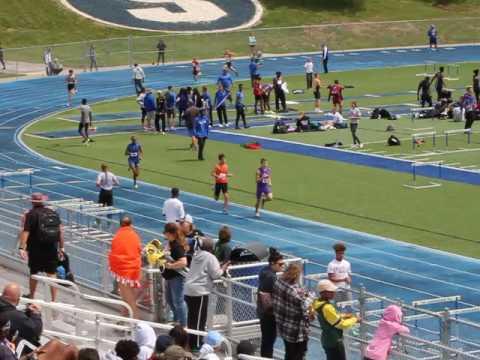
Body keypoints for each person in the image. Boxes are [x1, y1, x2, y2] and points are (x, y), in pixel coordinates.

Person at [184, 237, 229, 351]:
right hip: (200, 292)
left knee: (192, 318)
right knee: (199, 320)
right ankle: (196, 345)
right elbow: (216, 274)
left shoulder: (197, 255)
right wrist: (224, 267)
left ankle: (191, 342)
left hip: (189, 290)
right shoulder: (211, 257)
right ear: (211, 247)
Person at [19, 193, 64, 301]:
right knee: (52, 274)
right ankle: (54, 300)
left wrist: (22, 248)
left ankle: (32, 296)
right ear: (43, 201)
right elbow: (61, 231)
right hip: (51, 248)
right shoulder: (53, 213)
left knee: (34, 273)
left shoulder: (31, 214)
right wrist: (61, 247)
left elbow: (26, 232)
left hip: (35, 248)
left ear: (32, 202)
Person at [272, 263, 312, 360]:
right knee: (299, 354)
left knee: (289, 353)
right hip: (296, 330)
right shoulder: (293, 291)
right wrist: (309, 299)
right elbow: (305, 309)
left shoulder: (278, 282)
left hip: (283, 325)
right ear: (296, 275)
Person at [313, 279, 359, 360]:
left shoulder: (318, 303)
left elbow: (330, 317)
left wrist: (344, 316)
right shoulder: (327, 307)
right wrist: (355, 319)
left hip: (327, 339)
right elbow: (341, 324)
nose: (334, 292)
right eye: (331, 291)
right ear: (324, 292)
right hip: (334, 341)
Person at [108, 216, 142, 318]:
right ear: (131, 224)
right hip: (133, 270)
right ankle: (123, 317)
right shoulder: (135, 236)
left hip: (123, 271)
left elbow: (114, 251)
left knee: (128, 298)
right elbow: (138, 250)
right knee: (126, 297)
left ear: (120, 224)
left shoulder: (117, 236)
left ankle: (136, 321)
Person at [257, 248, 284, 358]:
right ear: (273, 263)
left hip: (263, 311)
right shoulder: (271, 277)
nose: (282, 266)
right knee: (269, 340)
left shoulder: (264, 270)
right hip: (268, 313)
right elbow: (272, 295)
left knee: (266, 340)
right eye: (280, 264)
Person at [162, 223, 188, 327]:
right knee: (169, 299)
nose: (164, 234)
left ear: (170, 233)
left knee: (178, 301)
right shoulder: (170, 243)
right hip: (169, 277)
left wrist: (171, 266)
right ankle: (177, 319)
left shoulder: (177, 246)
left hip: (176, 277)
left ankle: (183, 324)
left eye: (165, 232)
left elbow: (183, 262)